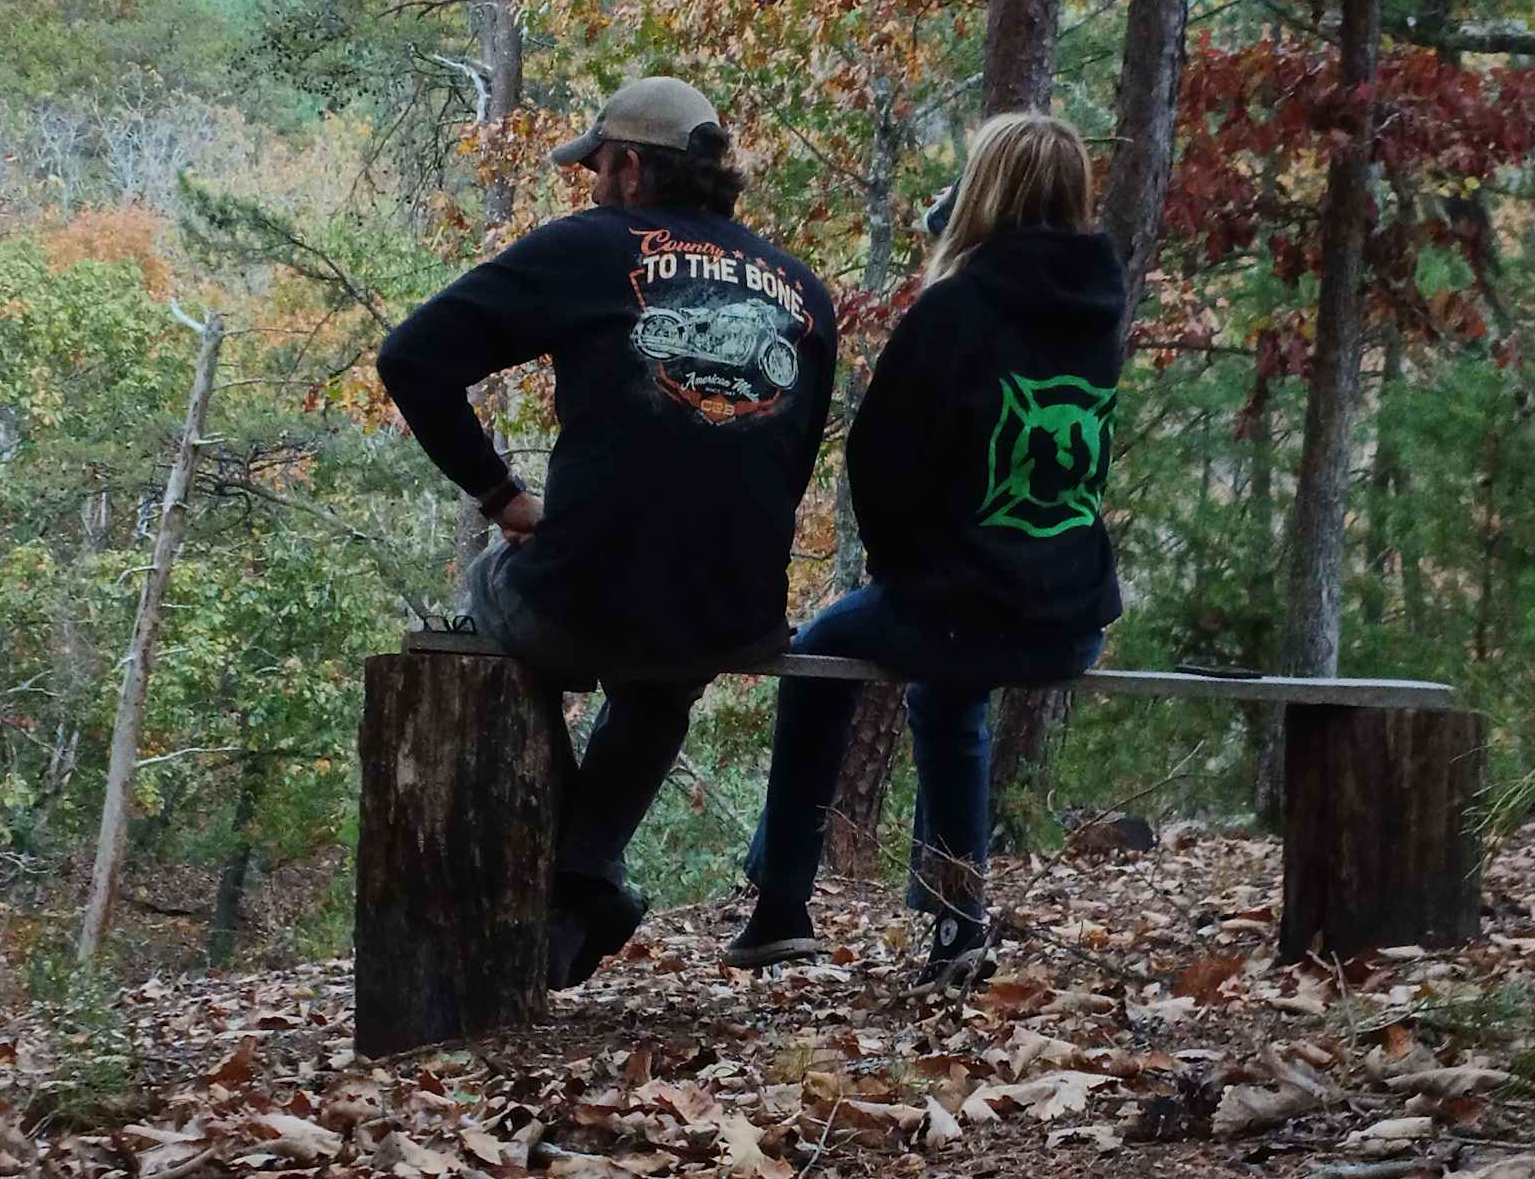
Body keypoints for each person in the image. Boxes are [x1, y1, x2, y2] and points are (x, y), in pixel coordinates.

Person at [378, 71, 836, 985]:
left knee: (492, 590)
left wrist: (504, 497)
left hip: (585, 598)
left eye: (595, 167)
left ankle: (560, 875)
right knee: (661, 675)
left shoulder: (590, 246)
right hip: (735, 614)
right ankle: (581, 871)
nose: (591, 185)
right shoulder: (803, 292)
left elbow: (410, 357)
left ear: (629, 167)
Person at [729, 107, 1124, 982]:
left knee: (824, 649)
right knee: (949, 695)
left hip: (965, 603)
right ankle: (954, 929)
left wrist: (905, 570)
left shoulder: (957, 307)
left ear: (984, 190)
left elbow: (877, 460)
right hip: (1073, 609)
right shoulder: (1101, 306)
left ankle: (783, 899)